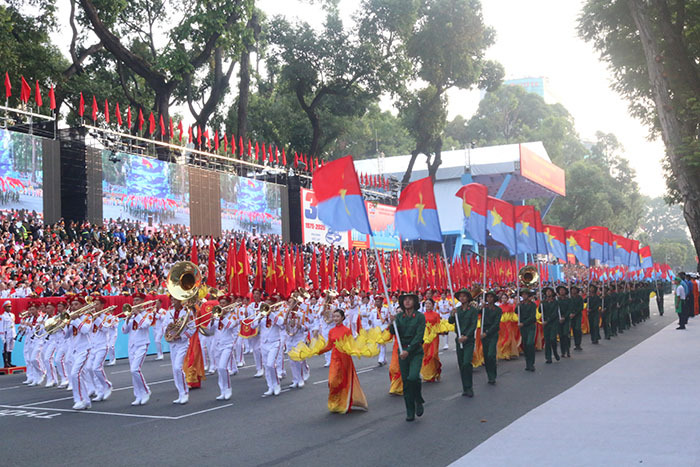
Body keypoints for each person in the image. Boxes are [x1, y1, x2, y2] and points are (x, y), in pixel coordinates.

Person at [317, 308, 368, 414]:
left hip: (345, 359)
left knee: (344, 381)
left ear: (343, 318)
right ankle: (335, 403)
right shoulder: (331, 331)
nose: (335, 318)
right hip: (335, 359)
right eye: (334, 316)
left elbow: (351, 345)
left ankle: (344, 404)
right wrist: (318, 351)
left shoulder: (347, 330)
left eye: (337, 316)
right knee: (332, 382)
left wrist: (357, 350)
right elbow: (329, 346)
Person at [389, 292, 426, 422]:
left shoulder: (420, 317)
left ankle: (418, 398)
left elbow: (419, 336)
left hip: (414, 351)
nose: (407, 301)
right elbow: (393, 332)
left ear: (414, 302)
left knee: (413, 377)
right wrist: (391, 323)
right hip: (402, 351)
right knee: (406, 382)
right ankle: (410, 411)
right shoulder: (399, 317)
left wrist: (408, 351)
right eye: (405, 300)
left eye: (410, 299)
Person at [121, 293, 153, 406]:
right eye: (134, 300)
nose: (135, 303)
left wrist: (138, 314)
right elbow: (124, 331)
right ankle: (138, 395)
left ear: (143, 302)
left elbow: (145, 325)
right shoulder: (132, 316)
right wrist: (127, 319)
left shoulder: (148, 313)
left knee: (135, 370)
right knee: (133, 371)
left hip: (142, 344)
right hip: (132, 346)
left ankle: (146, 391)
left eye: (137, 300)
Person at [448, 288, 477, 396]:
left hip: (468, 340)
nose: (462, 298)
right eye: (460, 296)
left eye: (464, 296)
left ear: (468, 298)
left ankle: (469, 387)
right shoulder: (457, 310)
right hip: (459, 339)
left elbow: (473, 325)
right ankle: (465, 387)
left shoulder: (473, 310)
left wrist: (466, 336)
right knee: (461, 364)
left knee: (466, 363)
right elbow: (450, 321)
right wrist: (452, 314)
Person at [68, 296, 93, 410]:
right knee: (79, 375)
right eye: (72, 305)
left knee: (74, 374)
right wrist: (67, 323)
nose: (73, 307)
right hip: (75, 350)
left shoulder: (87, 316)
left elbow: (85, 330)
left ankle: (79, 400)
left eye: (76, 304)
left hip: (84, 349)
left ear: (82, 306)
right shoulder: (72, 319)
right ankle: (86, 401)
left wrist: (75, 320)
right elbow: (66, 335)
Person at [480, 290, 502, 384]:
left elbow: (496, 324)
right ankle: (489, 375)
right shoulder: (483, 309)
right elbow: (474, 313)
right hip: (484, 334)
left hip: (492, 334)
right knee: (486, 355)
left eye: (491, 297)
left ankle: (493, 374)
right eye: (488, 297)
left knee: (491, 354)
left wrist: (487, 333)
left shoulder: (498, 310)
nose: (489, 299)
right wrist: (481, 307)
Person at [420, 298, 441, 382]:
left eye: (429, 304)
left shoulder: (436, 314)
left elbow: (439, 325)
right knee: (426, 355)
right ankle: (428, 374)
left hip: (434, 337)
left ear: (432, 305)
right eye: (426, 304)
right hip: (425, 337)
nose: (427, 305)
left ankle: (435, 372)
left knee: (433, 354)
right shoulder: (422, 315)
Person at [518, 289, 537, 372]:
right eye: (523, 294)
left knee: (530, 343)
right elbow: (516, 312)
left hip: (530, 326)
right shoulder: (521, 305)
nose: (524, 296)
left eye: (526, 294)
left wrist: (523, 323)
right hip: (523, 328)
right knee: (525, 345)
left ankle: (531, 363)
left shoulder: (532, 305)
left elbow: (532, 317)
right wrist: (517, 306)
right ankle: (527, 363)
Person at [541, 287, 560, 363]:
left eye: (549, 291)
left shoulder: (555, 302)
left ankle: (555, 352)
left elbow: (555, 313)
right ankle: (548, 357)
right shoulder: (544, 302)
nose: (548, 293)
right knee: (547, 340)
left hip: (553, 323)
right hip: (546, 324)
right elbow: (540, 311)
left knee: (553, 339)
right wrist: (541, 304)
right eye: (547, 291)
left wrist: (548, 321)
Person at [556, 285, 572, 357]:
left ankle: (568, 349)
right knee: (561, 335)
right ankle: (563, 351)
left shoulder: (568, 300)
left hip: (566, 320)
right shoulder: (557, 300)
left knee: (566, 334)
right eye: (560, 290)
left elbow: (569, 309)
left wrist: (564, 317)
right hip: (559, 320)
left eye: (563, 290)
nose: (562, 291)